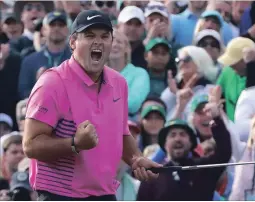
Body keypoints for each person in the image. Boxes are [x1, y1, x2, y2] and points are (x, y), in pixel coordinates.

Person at [23, 10, 161, 200]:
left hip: (105, 193)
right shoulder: (52, 83)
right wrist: (74, 143)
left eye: (105, 36)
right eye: (89, 36)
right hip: (60, 195)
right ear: (72, 42)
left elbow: (121, 134)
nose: (98, 42)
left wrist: (136, 159)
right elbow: (30, 145)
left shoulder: (119, 83)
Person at [137, 96, 232, 200]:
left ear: (191, 142)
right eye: (172, 135)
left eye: (182, 134)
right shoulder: (152, 177)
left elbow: (224, 152)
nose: (178, 139)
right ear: (164, 144)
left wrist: (217, 119)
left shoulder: (203, 169)